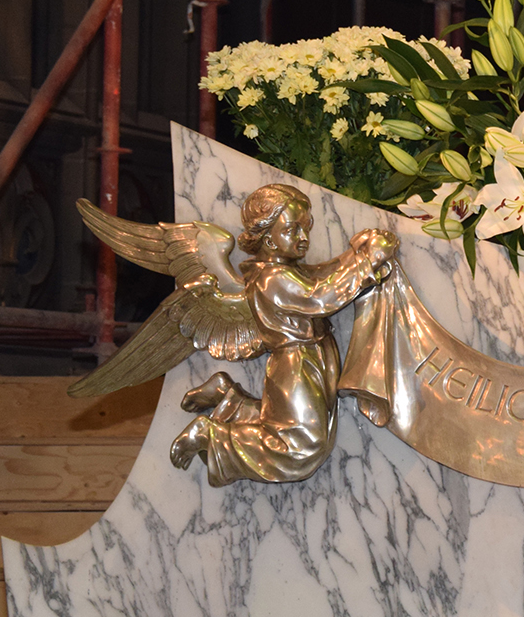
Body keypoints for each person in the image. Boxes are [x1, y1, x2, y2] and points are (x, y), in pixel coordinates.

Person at [170, 184, 399, 484]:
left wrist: (360, 259)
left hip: (316, 358)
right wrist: (366, 261)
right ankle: (210, 434)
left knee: (287, 426)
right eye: (293, 230)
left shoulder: (289, 270)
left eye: (306, 228)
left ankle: (229, 399)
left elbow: (326, 274)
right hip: (296, 364)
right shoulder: (272, 279)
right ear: (268, 238)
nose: (304, 238)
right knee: (302, 446)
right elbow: (320, 297)